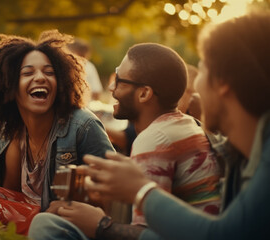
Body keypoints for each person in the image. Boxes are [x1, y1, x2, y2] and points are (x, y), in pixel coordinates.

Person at [79, 11, 270, 240]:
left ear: (223, 84)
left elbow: (224, 236)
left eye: (203, 69)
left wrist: (136, 194)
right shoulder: (241, 156)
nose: (194, 88)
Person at [28, 43, 222, 240]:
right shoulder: (184, 125)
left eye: (120, 80)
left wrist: (99, 223)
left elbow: (142, 233)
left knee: (46, 224)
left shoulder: (154, 139)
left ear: (144, 93)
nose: (111, 87)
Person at [0, 30, 115, 211]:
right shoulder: (8, 127)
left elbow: (112, 192)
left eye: (49, 72)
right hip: (19, 223)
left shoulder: (83, 126)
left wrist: (71, 203)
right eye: (27, 73)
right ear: (9, 84)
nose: (40, 77)